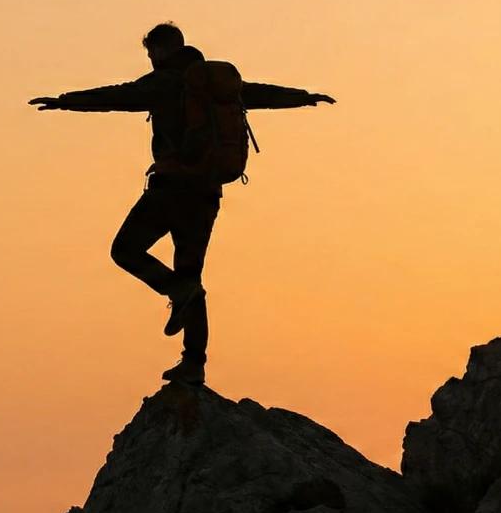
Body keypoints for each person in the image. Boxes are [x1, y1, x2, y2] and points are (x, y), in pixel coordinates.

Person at [27, 22, 335, 385]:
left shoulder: (167, 82)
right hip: (206, 195)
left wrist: (66, 102)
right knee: (191, 274)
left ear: (161, 50)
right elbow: (258, 93)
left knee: (126, 250)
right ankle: (194, 364)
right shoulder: (217, 85)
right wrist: (303, 96)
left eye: (151, 53)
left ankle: (175, 292)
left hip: (170, 190)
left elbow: (117, 97)